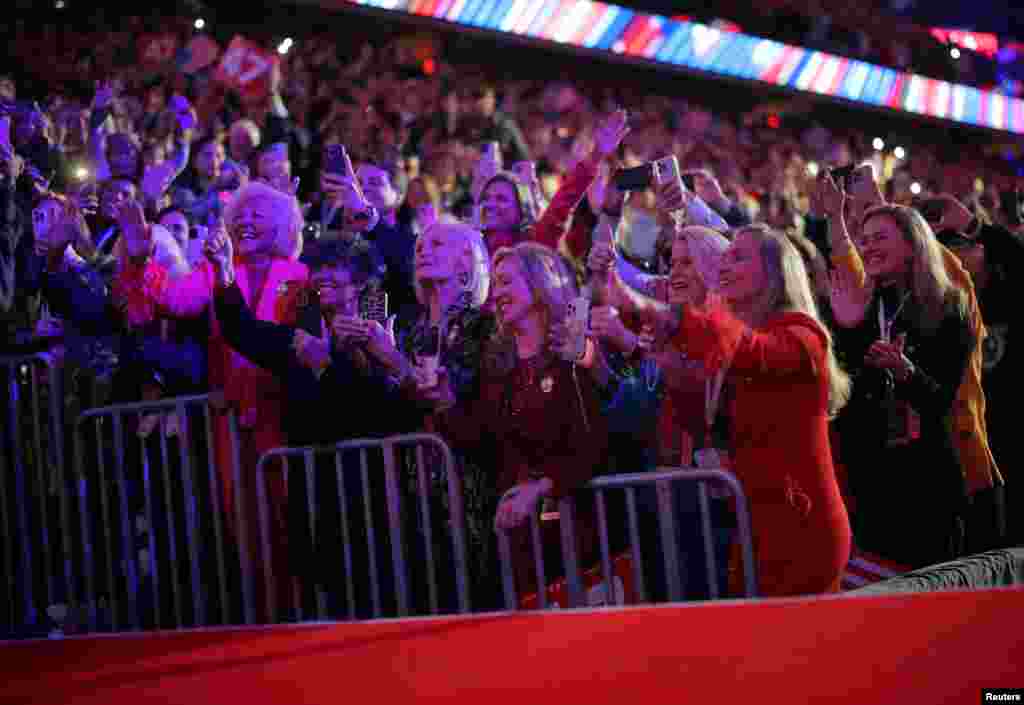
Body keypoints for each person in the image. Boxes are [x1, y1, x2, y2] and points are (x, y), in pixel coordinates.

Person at [593, 224, 852, 597]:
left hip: (802, 530)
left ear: (775, 272)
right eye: (726, 256)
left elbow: (751, 351)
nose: (725, 265)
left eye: (740, 256)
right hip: (756, 528)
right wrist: (661, 353)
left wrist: (643, 306)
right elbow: (696, 415)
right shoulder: (739, 338)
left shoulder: (803, 336)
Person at [113, 180, 308, 619]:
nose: (247, 219)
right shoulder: (212, 269)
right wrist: (139, 253)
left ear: (282, 223)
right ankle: (263, 620)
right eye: (240, 213)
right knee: (242, 521)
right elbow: (174, 301)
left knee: (290, 518)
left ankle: (300, 611)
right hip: (232, 415)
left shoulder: (300, 277)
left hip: (287, 413)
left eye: (259, 213)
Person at [434, 242, 609, 598]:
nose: (498, 292)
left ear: (539, 284)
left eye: (508, 282)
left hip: (576, 534)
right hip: (518, 540)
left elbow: (594, 447)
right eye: (495, 283)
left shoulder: (572, 351)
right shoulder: (497, 361)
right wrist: (443, 401)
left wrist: (540, 488)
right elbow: (480, 439)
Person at [830, 204, 973, 569]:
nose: (868, 248)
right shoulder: (864, 305)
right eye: (864, 241)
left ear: (912, 244)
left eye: (880, 238)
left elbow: (943, 402)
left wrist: (907, 372)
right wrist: (847, 328)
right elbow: (843, 394)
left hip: (926, 487)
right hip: (870, 485)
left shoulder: (948, 307)